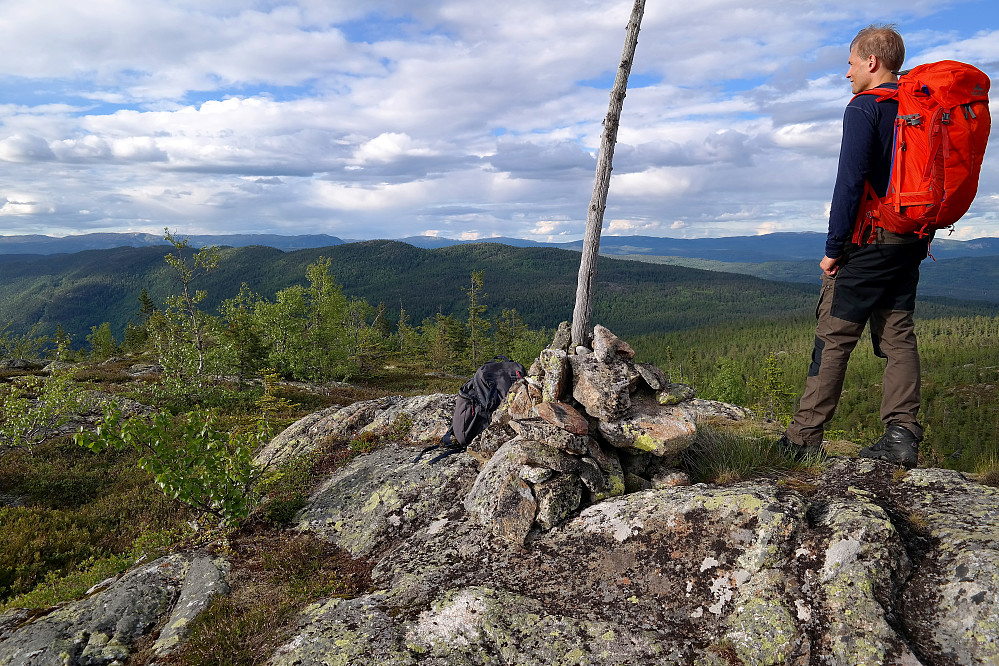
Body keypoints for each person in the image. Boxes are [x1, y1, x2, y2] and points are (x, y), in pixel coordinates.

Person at [779, 24, 928, 468]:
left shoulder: (865, 109)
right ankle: (902, 435)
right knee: (898, 335)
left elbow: (850, 182)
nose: (846, 74)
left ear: (871, 62)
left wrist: (833, 248)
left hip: (869, 241)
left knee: (835, 336)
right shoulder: (916, 107)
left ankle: (803, 440)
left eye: (849, 63)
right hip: (911, 239)